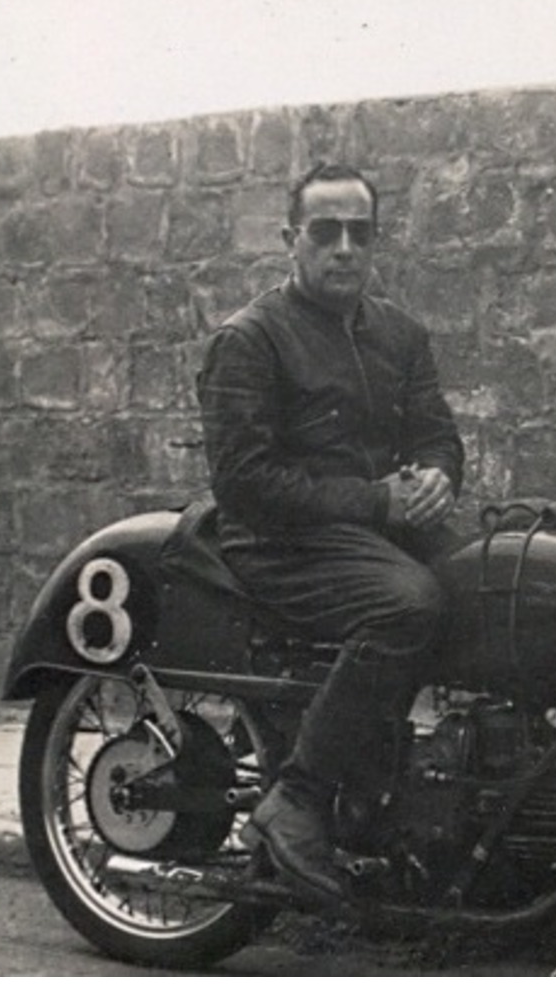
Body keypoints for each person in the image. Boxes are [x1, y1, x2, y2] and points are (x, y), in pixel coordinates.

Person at [196, 162, 464, 905]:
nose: (345, 249)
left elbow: (439, 436)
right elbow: (246, 483)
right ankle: (300, 798)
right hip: (279, 540)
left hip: (375, 530)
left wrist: (440, 476)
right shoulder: (249, 340)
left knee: (502, 577)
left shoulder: (400, 333)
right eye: (326, 232)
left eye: (361, 233)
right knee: (407, 605)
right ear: (292, 240)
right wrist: (379, 503)